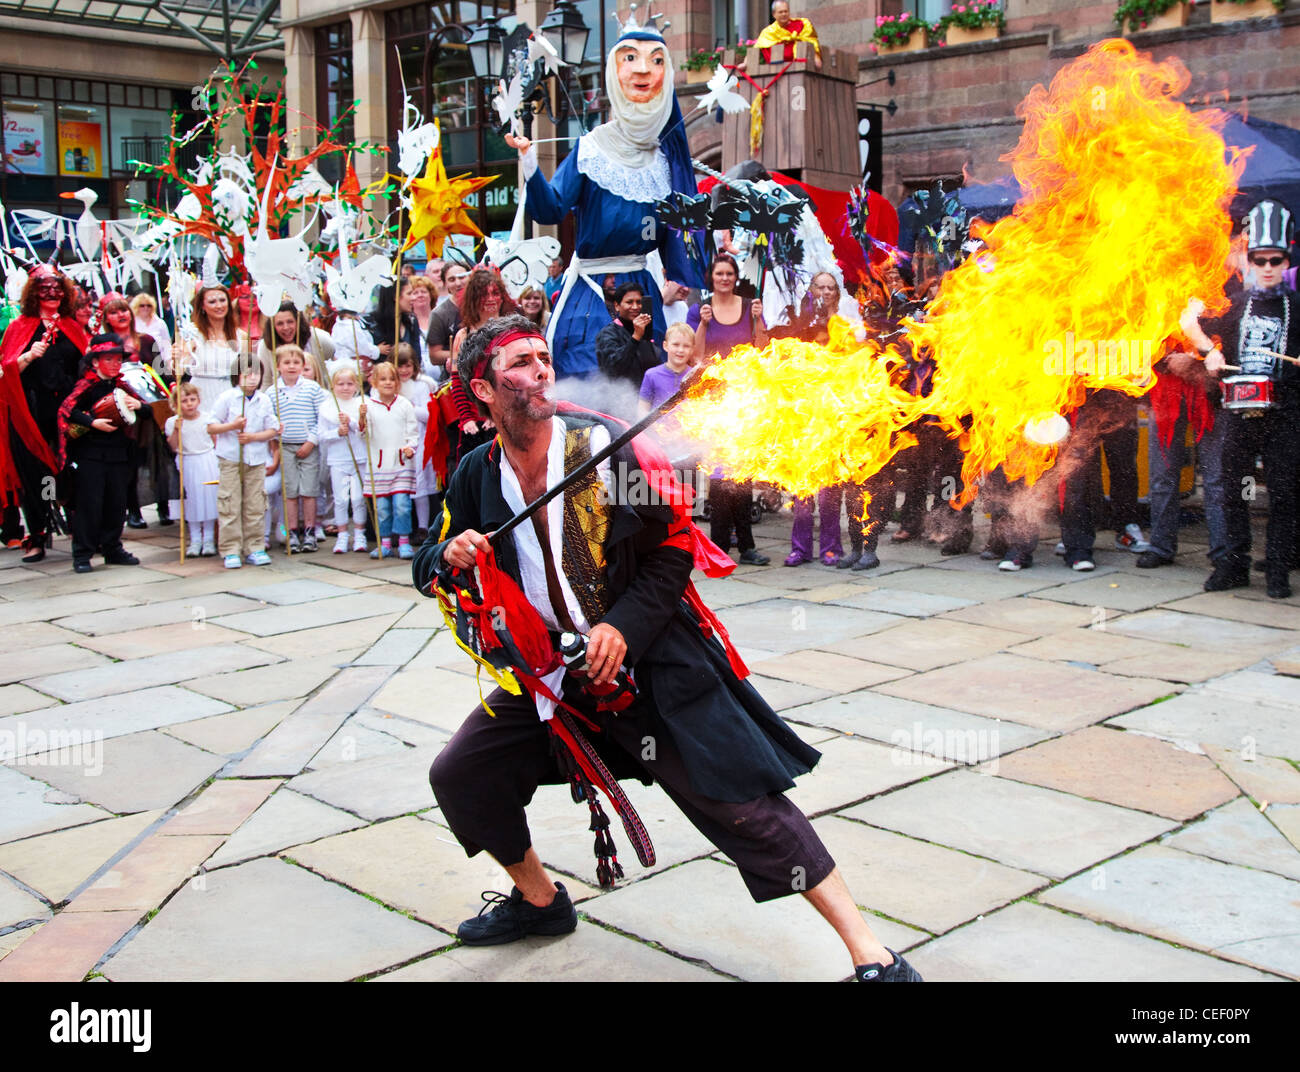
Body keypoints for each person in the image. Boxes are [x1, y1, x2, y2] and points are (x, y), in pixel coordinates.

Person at [412, 314, 920, 982]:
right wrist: (448, 553)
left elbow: (672, 548)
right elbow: (427, 565)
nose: (541, 369)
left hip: (649, 665)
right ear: (483, 389)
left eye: (544, 356)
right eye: (521, 363)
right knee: (460, 774)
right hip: (555, 682)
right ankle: (539, 901)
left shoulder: (600, 447)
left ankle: (872, 955)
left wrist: (620, 627)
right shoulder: (477, 475)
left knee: (744, 804)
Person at [505, 15, 702, 380]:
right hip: (591, 296)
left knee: (649, 387)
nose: (643, 70)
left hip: (643, 295)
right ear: (614, 71)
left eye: (656, 61)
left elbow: (676, 232)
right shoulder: (590, 150)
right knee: (592, 384)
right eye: (630, 58)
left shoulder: (666, 162)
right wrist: (529, 162)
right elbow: (548, 209)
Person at [1201, 198, 1299, 598]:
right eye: (1260, 260)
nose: (1268, 268)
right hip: (1239, 416)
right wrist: (1211, 353)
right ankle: (1234, 565)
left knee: (1284, 493)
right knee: (1237, 488)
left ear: (1286, 259)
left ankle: (1277, 568)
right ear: (1250, 260)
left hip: (1286, 416)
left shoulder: (1298, 308)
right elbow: (1197, 330)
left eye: (1276, 260)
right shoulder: (1233, 304)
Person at [0, 266, 86, 562]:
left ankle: (78, 530)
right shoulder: (19, 327)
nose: (51, 293)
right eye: (44, 288)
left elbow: (86, 368)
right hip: (30, 412)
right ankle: (37, 534)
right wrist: (27, 356)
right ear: (33, 293)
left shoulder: (72, 326)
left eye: (57, 288)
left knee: (70, 469)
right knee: (36, 473)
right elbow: (4, 373)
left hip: (67, 411)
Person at [689, 254, 770, 565]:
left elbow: (762, 349)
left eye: (729, 273)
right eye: (719, 273)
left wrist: (760, 318)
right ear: (712, 277)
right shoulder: (701, 309)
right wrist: (703, 324)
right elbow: (695, 356)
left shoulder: (750, 307)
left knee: (743, 476)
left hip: (744, 397)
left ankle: (747, 546)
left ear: (736, 277)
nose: (724, 278)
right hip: (714, 399)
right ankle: (720, 545)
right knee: (719, 478)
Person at [56, 334, 144, 574]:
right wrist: (92, 422)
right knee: (89, 505)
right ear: (95, 362)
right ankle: (82, 554)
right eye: (109, 359)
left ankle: (113, 548)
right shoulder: (86, 384)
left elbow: (145, 409)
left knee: (117, 504)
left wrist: (139, 406)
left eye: (118, 359)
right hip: (90, 455)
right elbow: (67, 410)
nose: (116, 363)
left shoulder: (123, 386)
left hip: (118, 453)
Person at [1139, 341, 1224, 571]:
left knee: (1216, 478)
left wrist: (1195, 360)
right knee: (1162, 474)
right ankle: (1160, 546)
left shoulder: (1219, 303)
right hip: (1166, 389)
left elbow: (1227, 330)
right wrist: (1167, 359)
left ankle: (1223, 552)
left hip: (1208, 388)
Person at [101, 293, 173, 530]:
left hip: (151, 406)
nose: (120, 315)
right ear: (106, 318)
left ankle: (164, 507)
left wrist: (172, 386)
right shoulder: (103, 343)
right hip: (123, 408)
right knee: (131, 461)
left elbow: (161, 369)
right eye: (113, 311)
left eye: (123, 310)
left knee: (160, 458)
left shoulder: (147, 339)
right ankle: (134, 510)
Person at [208, 354, 279, 569]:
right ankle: (230, 549)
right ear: (236, 376)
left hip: (256, 458)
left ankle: (255, 546)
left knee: (255, 504)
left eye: (256, 374)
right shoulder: (227, 398)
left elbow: (273, 429)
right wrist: (231, 426)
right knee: (230, 503)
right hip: (230, 457)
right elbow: (211, 426)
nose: (251, 378)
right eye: (246, 374)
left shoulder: (264, 399)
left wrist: (254, 437)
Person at [267, 342, 326, 552]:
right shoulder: (272, 392)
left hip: (308, 445)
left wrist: (311, 441)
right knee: (290, 491)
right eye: (286, 362)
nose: (291, 366)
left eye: (296, 362)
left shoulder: (312, 388)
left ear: (302, 365)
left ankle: (309, 530)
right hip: (285, 446)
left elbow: (323, 417)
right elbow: (268, 418)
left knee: (309, 490)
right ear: (278, 366)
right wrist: (275, 430)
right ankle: (291, 532)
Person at [359, 360, 418, 560]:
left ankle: (403, 541)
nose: (388, 383)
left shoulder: (404, 405)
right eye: (382, 379)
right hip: (378, 464)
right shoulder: (368, 405)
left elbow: (413, 431)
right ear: (374, 382)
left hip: (401, 462)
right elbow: (364, 434)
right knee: (382, 507)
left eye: (392, 379)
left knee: (402, 504)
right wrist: (361, 418)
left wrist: (410, 447)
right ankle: (384, 542)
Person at [317, 366, 368, 554]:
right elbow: (321, 435)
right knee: (340, 499)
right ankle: (342, 534)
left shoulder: (361, 404)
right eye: (340, 384)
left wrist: (354, 421)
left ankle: (359, 533)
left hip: (359, 457)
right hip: (338, 459)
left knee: (357, 498)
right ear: (333, 386)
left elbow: (364, 431)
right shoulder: (327, 407)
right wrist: (337, 432)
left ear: (356, 385)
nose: (345, 388)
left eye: (349, 383)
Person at [165, 382, 219, 557]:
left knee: (209, 499)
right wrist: (176, 431)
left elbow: (215, 441)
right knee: (192, 501)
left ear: (198, 400)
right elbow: (173, 446)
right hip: (187, 460)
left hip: (207, 459)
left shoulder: (207, 418)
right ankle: (195, 539)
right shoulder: (173, 422)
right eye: (184, 400)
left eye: (192, 399)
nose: (189, 404)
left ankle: (209, 539)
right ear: (176, 404)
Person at [595, 283, 659, 418]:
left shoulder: (648, 332)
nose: (635, 307)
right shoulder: (608, 334)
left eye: (639, 302)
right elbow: (613, 368)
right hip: (619, 406)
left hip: (647, 405)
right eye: (629, 302)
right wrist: (635, 337)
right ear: (617, 306)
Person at [396, 344, 440, 539]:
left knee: (419, 484)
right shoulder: (390, 383)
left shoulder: (422, 385)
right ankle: (399, 529)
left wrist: (408, 408)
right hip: (396, 440)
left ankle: (423, 526)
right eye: (400, 366)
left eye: (408, 366)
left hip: (419, 441)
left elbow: (429, 414)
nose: (404, 371)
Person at [186, 285, 247, 413]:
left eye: (222, 300)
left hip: (232, 397)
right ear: (202, 306)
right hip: (202, 396)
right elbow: (178, 368)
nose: (219, 306)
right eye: (212, 302)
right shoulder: (192, 334)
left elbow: (247, 371)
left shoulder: (241, 336)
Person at [256, 302, 335, 372]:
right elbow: (265, 382)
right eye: (280, 323)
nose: (286, 327)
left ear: (298, 322)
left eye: (290, 322)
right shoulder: (266, 346)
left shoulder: (319, 339)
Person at [755, 0, 822, 70]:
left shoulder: (801, 24)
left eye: (786, 11)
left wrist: (816, 56)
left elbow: (810, 40)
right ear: (774, 14)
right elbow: (758, 47)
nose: (784, 14)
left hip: (802, 64)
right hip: (778, 67)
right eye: (780, 12)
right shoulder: (768, 32)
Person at [429, 262, 470, 371]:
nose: (458, 283)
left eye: (462, 277)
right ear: (445, 284)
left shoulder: (485, 306)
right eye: (451, 280)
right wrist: (466, 354)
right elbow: (434, 356)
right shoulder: (439, 314)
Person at [406, 276, 440, 380]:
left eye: (423, 292)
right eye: (415, 293)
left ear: (431, 295)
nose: (420, 295)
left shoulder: (440, 318)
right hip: (418, 378)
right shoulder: (408, 322)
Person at [130, 291, 172, 368]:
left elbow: (167, 345)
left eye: (149, 305)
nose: (145, 308)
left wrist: (168, 362)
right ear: (136, 306)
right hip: (139, 363)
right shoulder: (132, 323)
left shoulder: (160, 323)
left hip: (160, 363)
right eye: (142, 305)